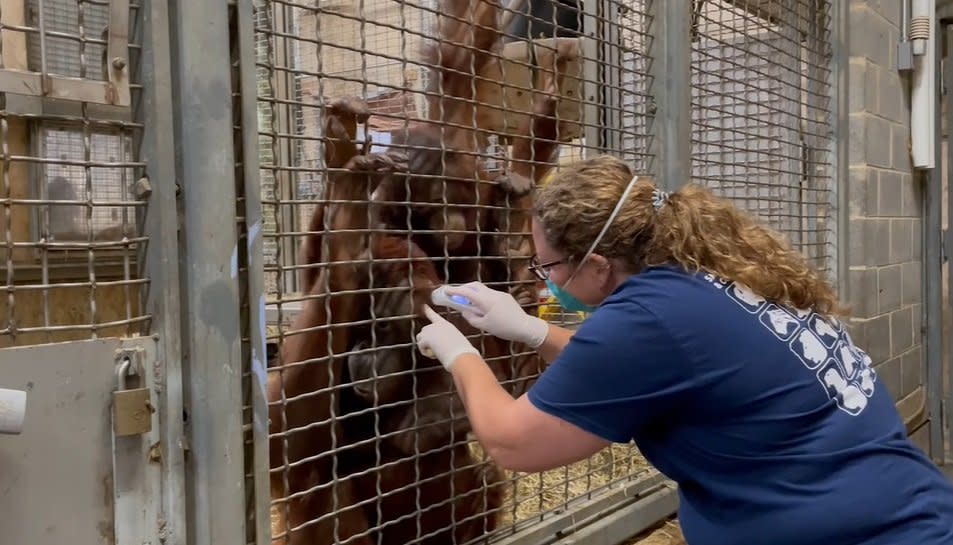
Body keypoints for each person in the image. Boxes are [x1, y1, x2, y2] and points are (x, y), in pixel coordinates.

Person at [415, 154, 953, 545]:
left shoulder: (647, 316)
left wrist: (458, 350)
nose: (542, 280)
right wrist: (532, 332)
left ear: (597, 265)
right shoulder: (708, 275)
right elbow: (656, 364)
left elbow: (514, 445)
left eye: (548, 266)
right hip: (904, 508)